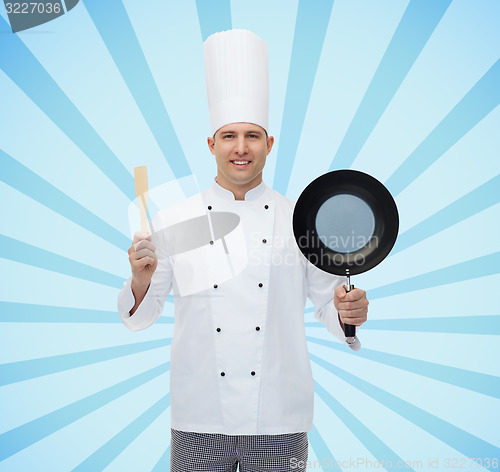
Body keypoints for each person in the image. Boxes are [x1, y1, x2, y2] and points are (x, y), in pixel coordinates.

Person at [118, 29, 368, 472]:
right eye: (228, 135)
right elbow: (144, 315)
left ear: (269, 145)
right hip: (198, 415)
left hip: (279, 415)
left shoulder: (301, 219)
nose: (240, 147)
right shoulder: (173, 221)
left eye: (252, 136)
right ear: (211, 144)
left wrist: (348, 314)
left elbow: (328, 306)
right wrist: (139, 283)